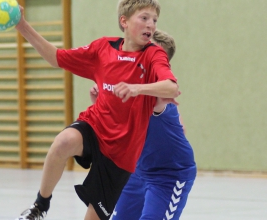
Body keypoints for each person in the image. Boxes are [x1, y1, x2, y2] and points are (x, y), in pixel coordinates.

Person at [15, 1, 180, 219]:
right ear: (124, 21)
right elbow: (56, 57)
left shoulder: (153, 55)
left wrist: (137, 88)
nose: (151, 25)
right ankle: (39, 206)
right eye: (144, 18)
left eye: (154, 20)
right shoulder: (103, 48)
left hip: (122, 153)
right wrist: (22, 25)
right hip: (95, 126)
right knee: (63, 142)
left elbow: (172, 86)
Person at [104, 30, 194, 220]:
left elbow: (167, 92)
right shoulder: (132, 84)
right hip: (138, 170)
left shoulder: (159, 92)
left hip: (169, 175)